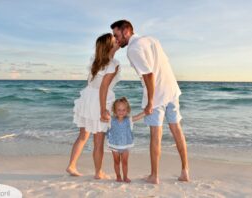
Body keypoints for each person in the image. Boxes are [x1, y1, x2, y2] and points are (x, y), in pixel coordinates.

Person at [110, 20, 190, 184]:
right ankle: (185, 172)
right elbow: (163, 65)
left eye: (116, 35)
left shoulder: (133, 49)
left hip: (157, 94)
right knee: (176, 129)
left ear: (126, 31)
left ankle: (155, 176)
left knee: (156, 135)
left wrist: (150, 101)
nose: (115, 39)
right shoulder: (152, 40)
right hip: (171, 89)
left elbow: (148, 74)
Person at [66, 33, 120, 179]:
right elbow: (103, 87)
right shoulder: (113, 64)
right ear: (110, 45)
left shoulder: (95, 61)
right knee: (98, 139)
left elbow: (90, 82)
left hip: (88, 97)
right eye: (115, 40)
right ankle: (98, 172)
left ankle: (71, 165)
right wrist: (103, 109)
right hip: (99, 100)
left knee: (83, 135)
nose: (118, 40)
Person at [107, 97, 145, 183]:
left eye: (123, 110)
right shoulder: (111, 120)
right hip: (114, 145)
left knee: (125, 162)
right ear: (114, 110)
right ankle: (118, 176)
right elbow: (102, 118)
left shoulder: (129, 120)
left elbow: (138, 116)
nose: (121, 112)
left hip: (126, 145)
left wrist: (146, 112)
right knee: (116, 162)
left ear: (127, 110)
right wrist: (104, 112)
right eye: (119, 110)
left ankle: (125, 176)